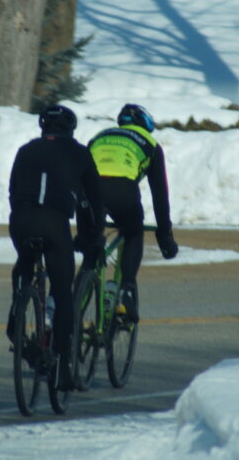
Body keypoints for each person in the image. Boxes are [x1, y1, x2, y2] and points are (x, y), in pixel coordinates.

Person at [7, 104, 103, 391]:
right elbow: (93, 204)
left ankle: (16, 321)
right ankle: (63, 371)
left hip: (21, 219)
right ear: (71, 130)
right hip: (54, 222)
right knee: (62, 294)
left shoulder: (25, 150)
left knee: (24, 264)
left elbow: (12, 190)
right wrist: (92, 239)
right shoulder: (80, 153)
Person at [77, 103, 177, 322]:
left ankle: (75, 306)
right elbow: (160, 194)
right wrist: (164, 235)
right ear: (146, 124)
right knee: (133, 232)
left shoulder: (99, 136)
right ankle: (126, 292)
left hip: (88, 192)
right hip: (122, 191)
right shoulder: (150, 143)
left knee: (92, 244)